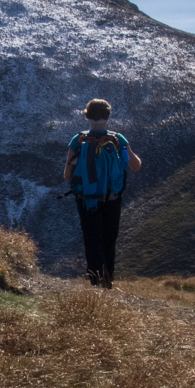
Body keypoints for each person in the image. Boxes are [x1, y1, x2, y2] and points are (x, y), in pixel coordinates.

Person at [63, 99, 142, 288]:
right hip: (112, 197)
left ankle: (96, 283)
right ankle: (108, 284)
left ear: (87, 115)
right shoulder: (116, 139)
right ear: (108, 116)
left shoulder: (79, 140)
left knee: (91, 240)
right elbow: (136, 166)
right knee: (109, 240)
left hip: (86, 198)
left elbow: (67, 175)